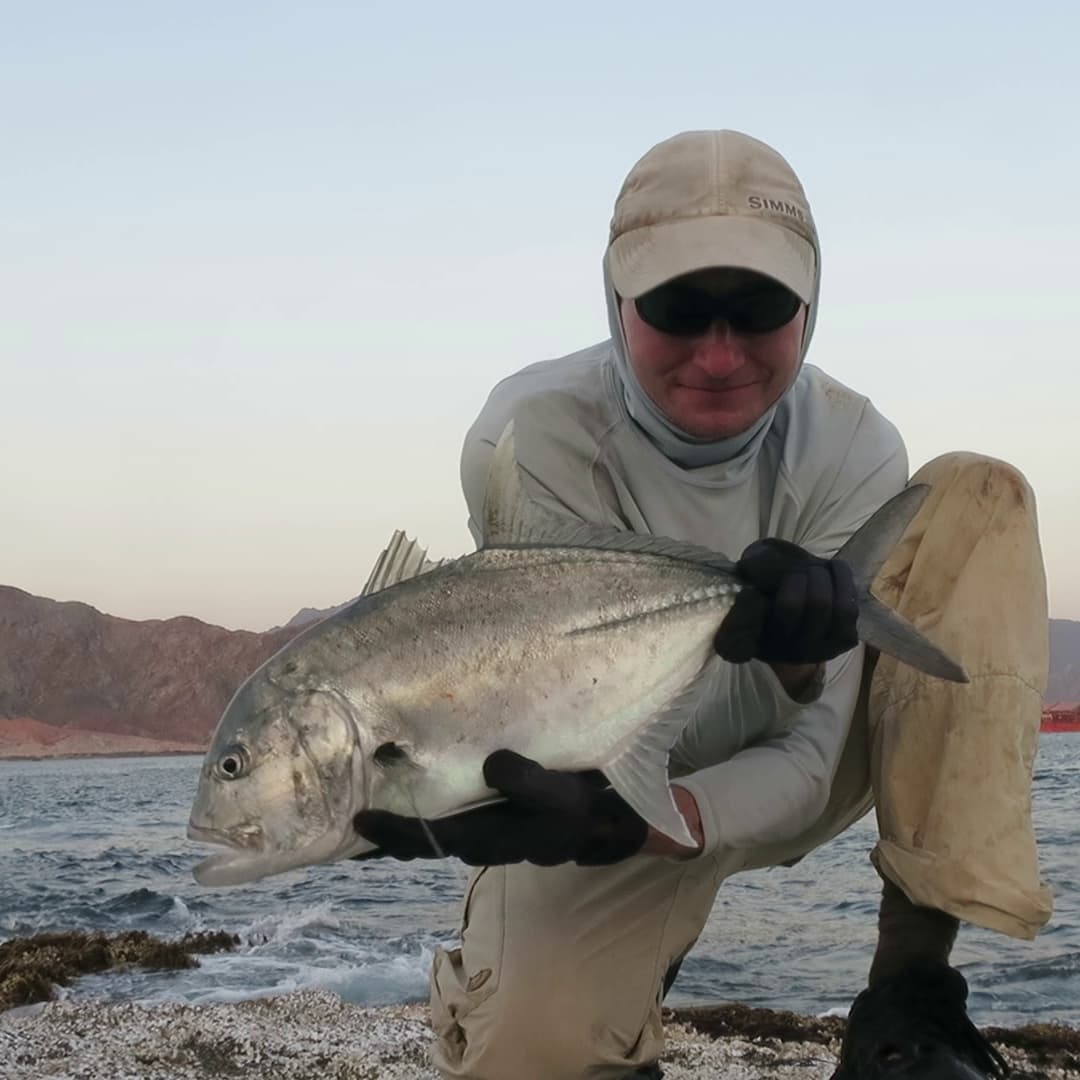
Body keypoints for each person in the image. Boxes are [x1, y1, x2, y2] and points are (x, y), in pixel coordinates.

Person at [354, 130, 1052, 1079]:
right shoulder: (528, 439)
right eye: (678, 309)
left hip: (806, 756)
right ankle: (626, 975)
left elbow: (806, 762)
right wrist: (607, 822)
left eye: (760, 309)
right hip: (603, 798)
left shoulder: (853, 446)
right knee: (529, 1055)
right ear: (616, 303)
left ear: (810, 305)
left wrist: (802, 666)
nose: (720, 357)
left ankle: (910, 996)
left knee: (975, 496)